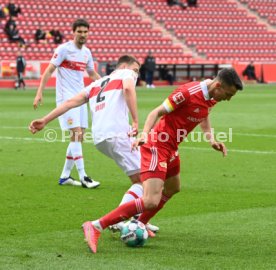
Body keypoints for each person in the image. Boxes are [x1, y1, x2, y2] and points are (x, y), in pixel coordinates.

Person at [78, 68, 243, 253]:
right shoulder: (187, 93)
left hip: (171, 147)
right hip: (157, 145)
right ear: (218, 85)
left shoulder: (212, 96)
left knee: (173, 187)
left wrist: (211, 138)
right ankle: (96, 226)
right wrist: (144, 135)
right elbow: (155, 112)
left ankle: (139, 223)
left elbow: (204, 114)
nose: (228, 99)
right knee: (150, 201)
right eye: (228, 94)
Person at [29, 55, 159, 234]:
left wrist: (45, 120)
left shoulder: (95, 85)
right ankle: (120, 219)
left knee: (138, 180)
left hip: (99, 139)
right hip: (118, 133)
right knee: (147, 180)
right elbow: (129, 88)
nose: (136, 74)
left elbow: (69, 103)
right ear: (124, 66)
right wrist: (136, 121)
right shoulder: (127, 73)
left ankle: (136, 219)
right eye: (136, 70)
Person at [33, 18, 101, 188]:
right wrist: (39, 92)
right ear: (73, 32)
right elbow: (49, 70)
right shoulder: (63, 49)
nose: (83, 35)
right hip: (65, 98)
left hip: (80, 97)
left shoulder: (87, 52)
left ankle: (65, 176)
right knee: (76, 134)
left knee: (79, 136)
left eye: (85, 32)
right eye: (80, 31)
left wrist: (108, 84)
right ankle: (84, 176)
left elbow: (92, 74)